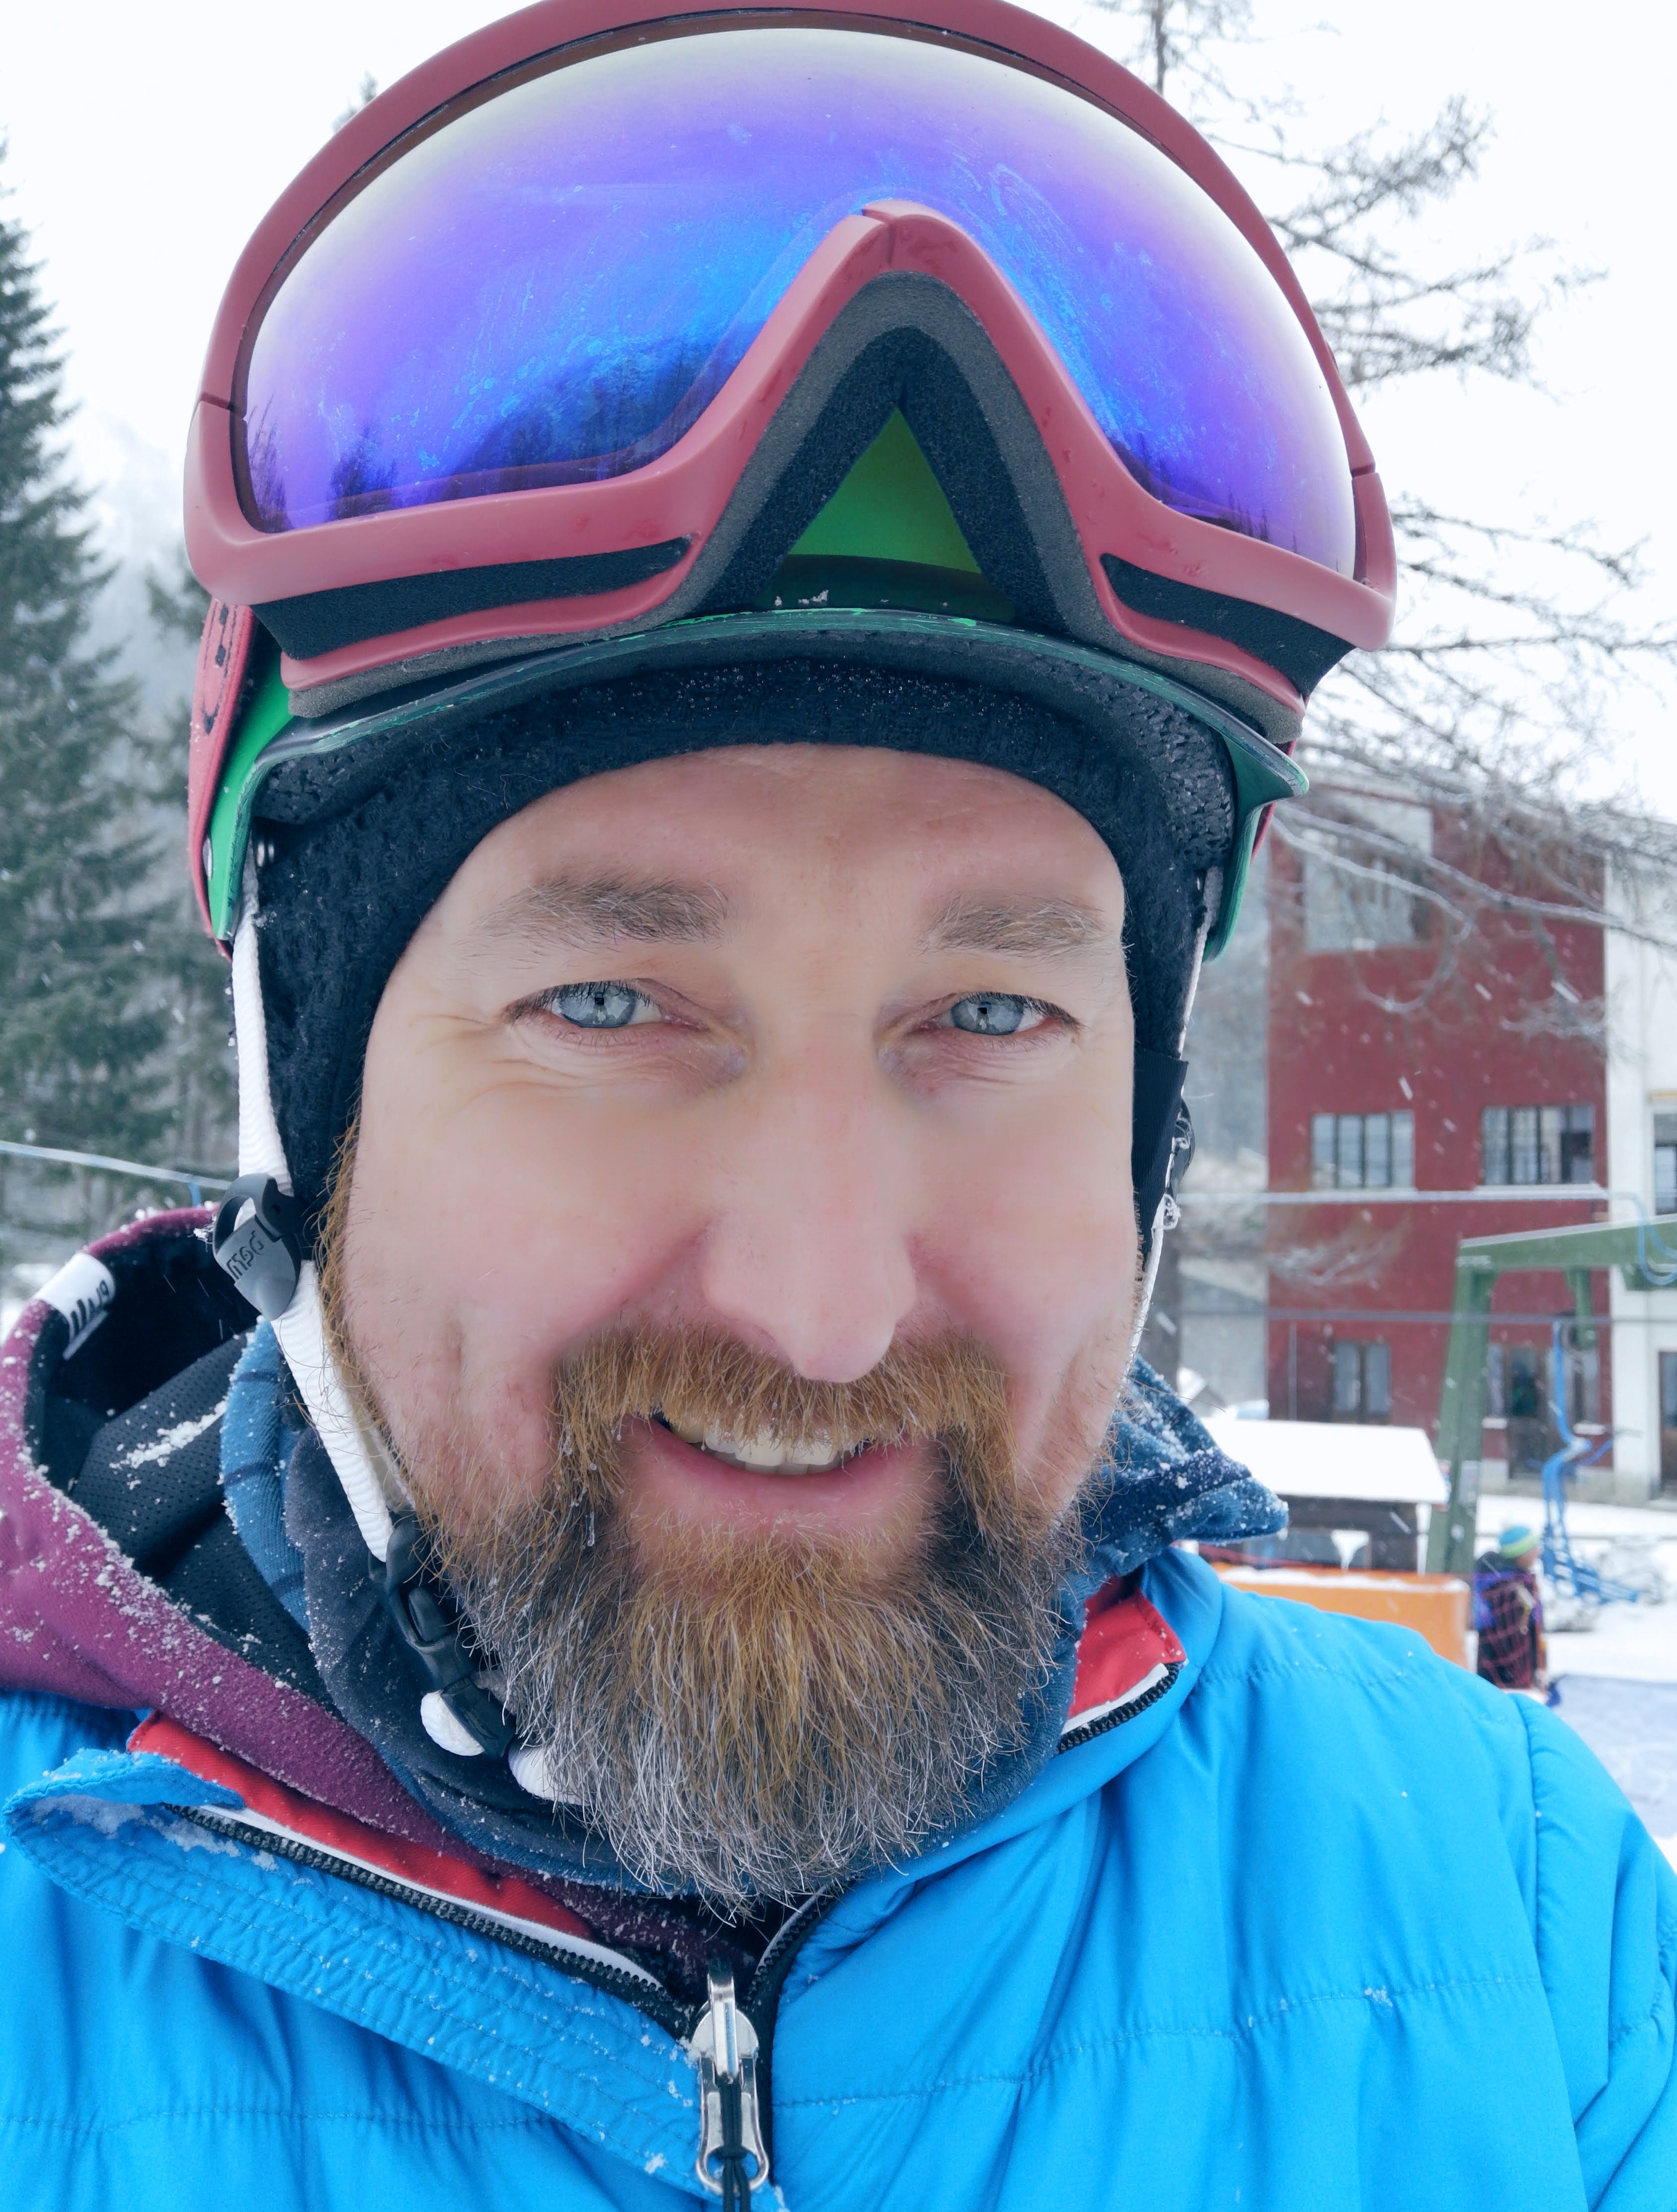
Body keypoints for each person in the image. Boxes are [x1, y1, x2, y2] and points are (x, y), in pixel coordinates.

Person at [1, 5, 1672, 2206]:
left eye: (986, 1013)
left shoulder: (1524, 1926)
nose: (819, 1309)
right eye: (611, 1000)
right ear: (307, 1114)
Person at [1475, 1524, 1550, 1692]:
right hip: (1511, 1673)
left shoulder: (1496, 1580)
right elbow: (1520, 1631)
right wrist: (1535, 1667)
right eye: (1533, 1547)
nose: (1538, 1551)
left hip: (1493, 1670)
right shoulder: (1512, 1588)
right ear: (1520, 1553)